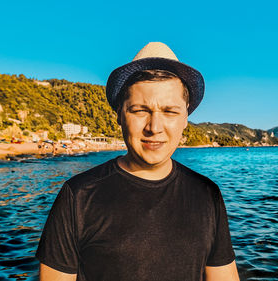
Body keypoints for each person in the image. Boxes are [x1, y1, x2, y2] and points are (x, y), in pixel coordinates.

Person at [37, 42, 239, 281]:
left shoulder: (207, 195)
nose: (154, 128)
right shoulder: (78, 196)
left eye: (170, 112)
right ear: (119, 116)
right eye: (140, 110)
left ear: (186, 118)